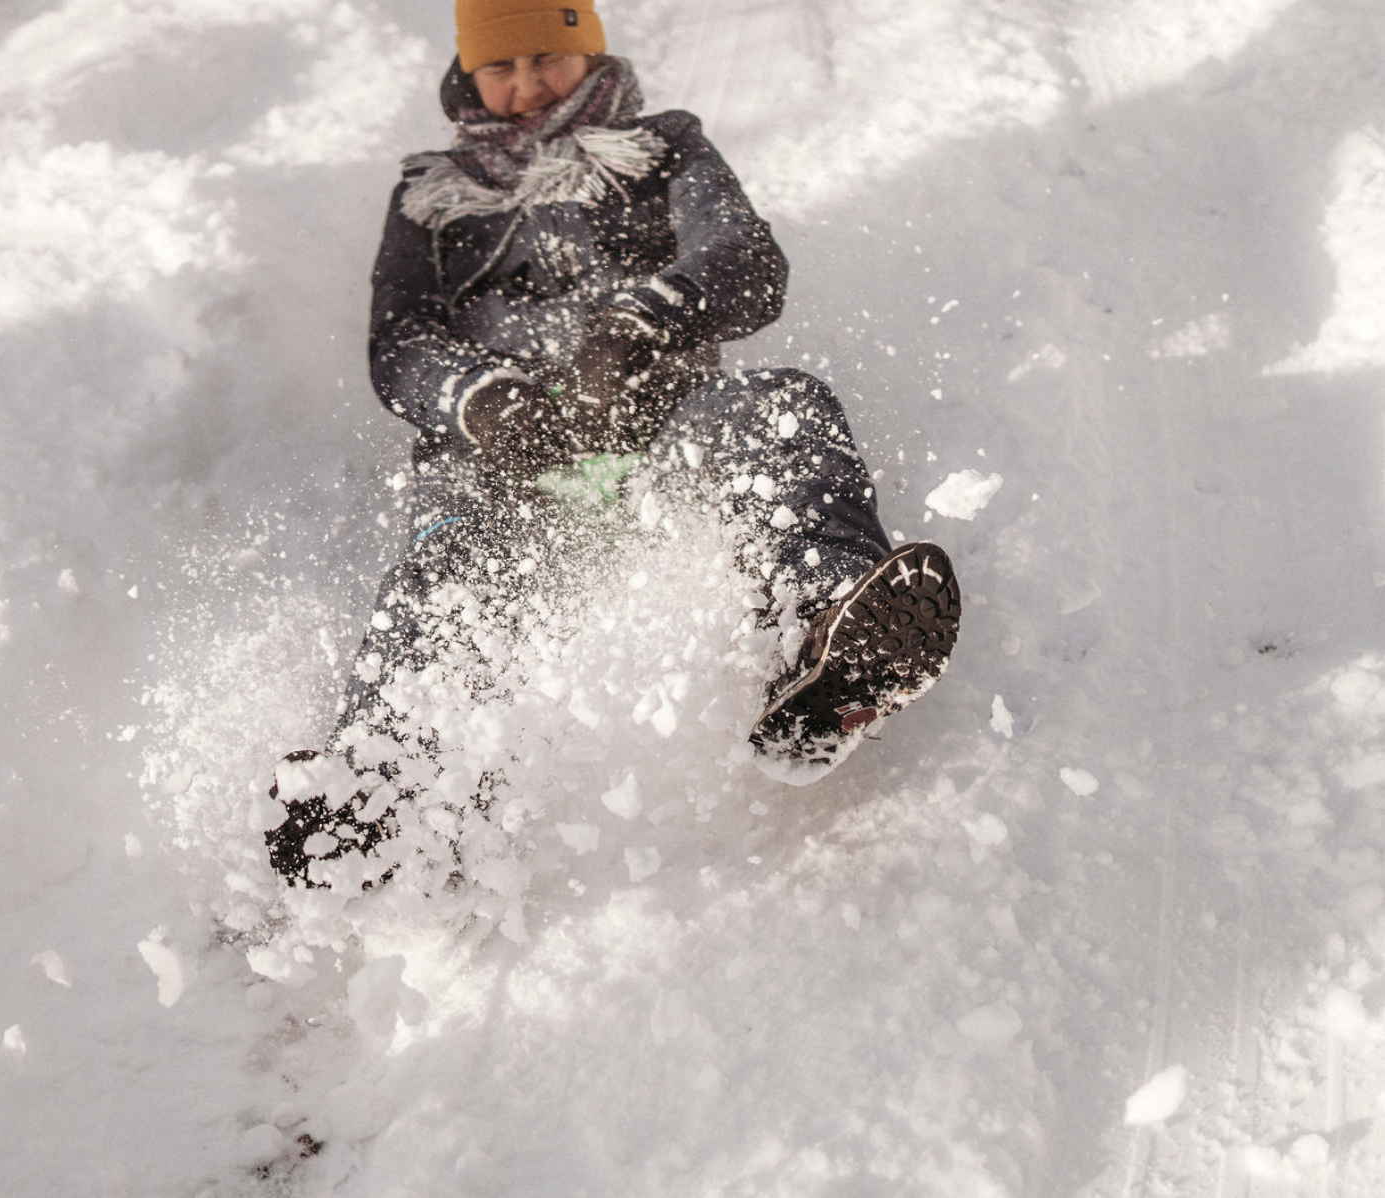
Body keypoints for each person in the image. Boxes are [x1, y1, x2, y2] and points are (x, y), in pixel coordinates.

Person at [266, 0, 959, 887]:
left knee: (781, 408)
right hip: (502, 468)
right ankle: (379, 789)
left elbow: (745, 258)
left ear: (586, 46)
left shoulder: (663, 148)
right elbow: (398, 342)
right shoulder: (430, 197)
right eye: (500, 66)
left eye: (546, 58)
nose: (524, 86)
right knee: (444, 578)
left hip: (662, 435)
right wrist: (478, 400)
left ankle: (827, 643)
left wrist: (645, 321)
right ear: (468, 74)